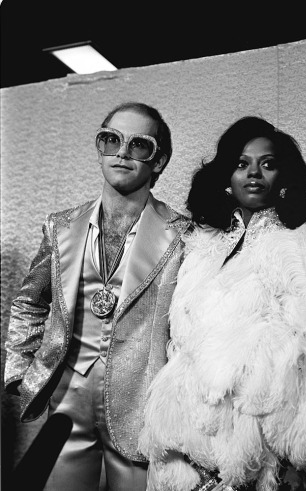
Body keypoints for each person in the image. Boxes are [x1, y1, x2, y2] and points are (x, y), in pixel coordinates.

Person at [138, 116, 306, 491]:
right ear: (226, 177)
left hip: (263, 454)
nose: (254, 173)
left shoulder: (300, 242)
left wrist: (297, 454)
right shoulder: (202, 245)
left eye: (268, 164)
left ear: (284, 178)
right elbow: (182, 344)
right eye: (241, 164)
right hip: (189, 450)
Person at [4, 102, 190, 491]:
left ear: (159, 161)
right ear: (99, 148)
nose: (121, 153)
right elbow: (29, 302)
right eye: (110, 140)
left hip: (139, 406)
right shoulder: (60, 227)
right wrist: (20, 371)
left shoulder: (182, 236)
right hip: (67, 400)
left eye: (139, 145)